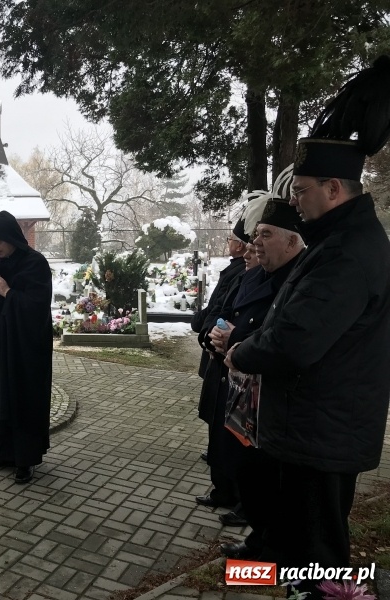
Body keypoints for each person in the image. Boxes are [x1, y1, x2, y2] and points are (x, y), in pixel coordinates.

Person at [225, 56, 390, 598]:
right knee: (299, 545)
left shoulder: (347, 254)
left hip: (325, 431)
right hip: (313, 427)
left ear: (334, 190)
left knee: (322, 557)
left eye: (302, 191)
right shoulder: (338, 242)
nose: (295, 200)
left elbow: (296, 339)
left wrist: (243, 352)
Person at [208, 189, 305, 558]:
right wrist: (219, 335)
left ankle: (269, 557)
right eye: (255, 235)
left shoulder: (297, 278)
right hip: (243, 397)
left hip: (274, 403)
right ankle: (259, 542)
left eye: (265, 235)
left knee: (268, 483)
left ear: (293, 240)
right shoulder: (260, 275)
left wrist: (238, 339)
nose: (255, 244)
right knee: (249, 475)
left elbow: (280, 338)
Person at [0, 210, 53, 484]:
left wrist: (8, 292)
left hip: (24, 349)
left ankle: (25, 460)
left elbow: (38, 307)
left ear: (12, 238)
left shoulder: (35, 264)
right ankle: (1, 453)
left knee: (23, 400)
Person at [192, 215, 249, 511]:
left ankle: (227, 490)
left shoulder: (241, 272)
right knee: (216, 423)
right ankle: (223, 483)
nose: (228, 242)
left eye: (231, 238)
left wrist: (207, 325)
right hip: (217, 350)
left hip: (227, 358)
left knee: (224, 426)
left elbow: (225, 308)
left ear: (240, 244)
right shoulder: (238, 270)